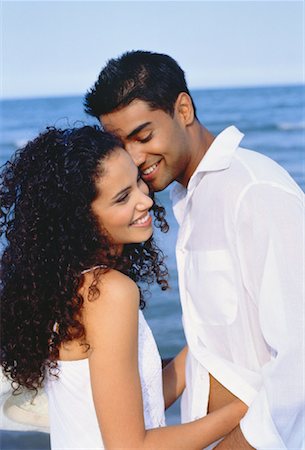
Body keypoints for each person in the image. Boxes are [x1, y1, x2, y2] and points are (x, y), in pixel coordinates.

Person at [84, 50, 305, 449]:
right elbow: (208, 347)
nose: (135, 158)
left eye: (144, 135)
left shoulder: (253, 192)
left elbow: (300, 358)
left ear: (182, 109)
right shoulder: (193, 198)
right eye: (121, 144)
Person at [0, 126, 247, 450]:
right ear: (80, 219)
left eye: (137, 181)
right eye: (122, 197)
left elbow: (138, 403)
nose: (145, 200)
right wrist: (250, 408)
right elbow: (131, 446)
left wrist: (200, 345)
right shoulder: (108, 293)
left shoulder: (71, 287)